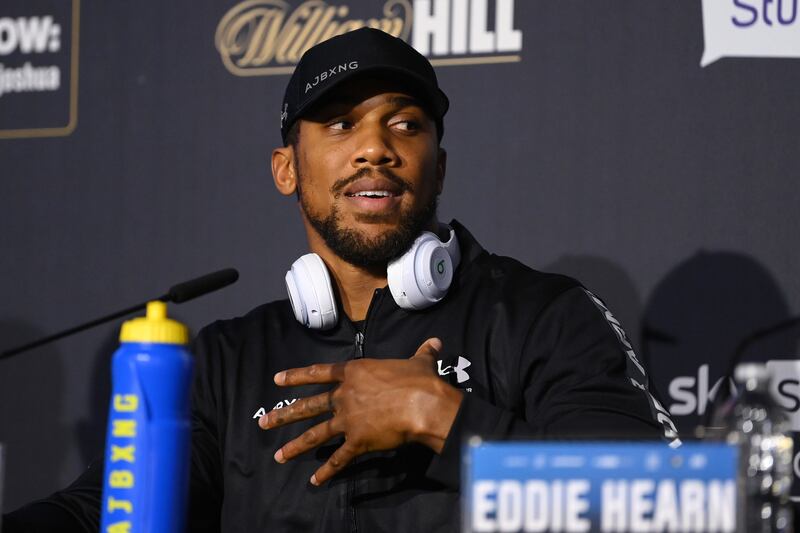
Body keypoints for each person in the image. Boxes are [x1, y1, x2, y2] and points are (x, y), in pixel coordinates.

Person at [4, 28, 678, 532]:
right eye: (340, 124)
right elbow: (98, 512)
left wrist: (441, 417)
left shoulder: (539, 316)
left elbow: (655, 499)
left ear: (437, 169)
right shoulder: (228, 361)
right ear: (286, 169)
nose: (375, 147)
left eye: (405, 124)